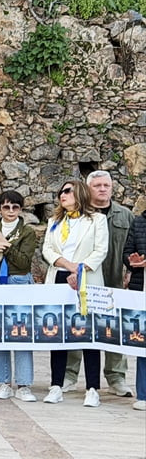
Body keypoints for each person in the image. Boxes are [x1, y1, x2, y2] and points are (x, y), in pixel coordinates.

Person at [62, 170, 133, 397]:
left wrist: (131, 270)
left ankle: (116, 376)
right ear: (87, 188)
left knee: (115, 329)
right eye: (97, 185)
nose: (103, 189)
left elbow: (136, 245)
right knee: (77, 324)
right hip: (84, 280)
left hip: (114, 281)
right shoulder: (78, 215)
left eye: (106, 185)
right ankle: (69, 374)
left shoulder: (125, 215)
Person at [41, 179, 108, 406]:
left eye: (68, 191)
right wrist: (69, 267)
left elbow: (101, 251)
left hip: (86, 279)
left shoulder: (97, 220)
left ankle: (92, 388)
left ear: (79, 193)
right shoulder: (54, 221)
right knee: (57, 333)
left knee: (88, 334)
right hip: (60, 276)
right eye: (61, 191)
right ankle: (56, 385)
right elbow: (47, 250)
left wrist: (80, 270)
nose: (63, 195)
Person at [0, 190, 39, 401]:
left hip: (19, 282)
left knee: (21, 332)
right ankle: (2, 382)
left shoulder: (28, 232)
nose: (11, 211)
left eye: (15, 207)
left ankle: (23, 384)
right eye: (6, 207)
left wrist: (6, 244)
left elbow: (23, 262)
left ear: (21, 209)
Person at [123, 210, 146, 411]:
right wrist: (132, 260)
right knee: (143, 343)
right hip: (142, 288)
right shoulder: (139, 221)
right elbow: (127, 250)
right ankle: (144, 394)